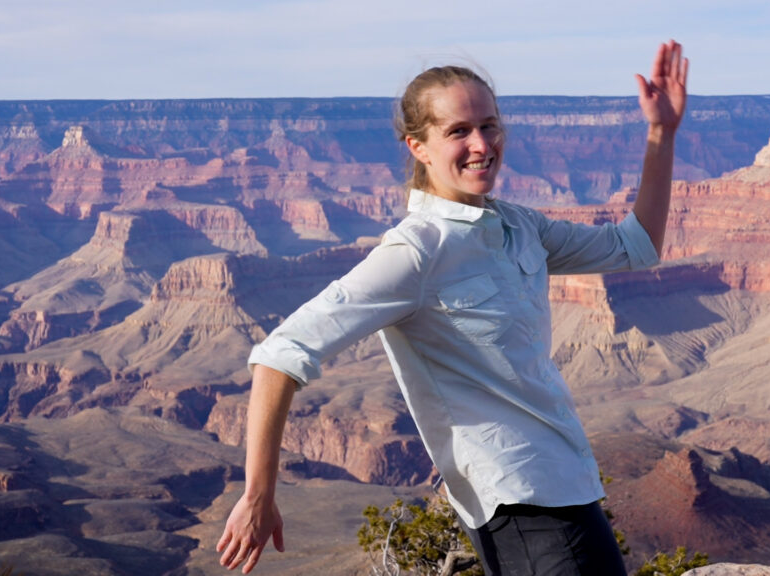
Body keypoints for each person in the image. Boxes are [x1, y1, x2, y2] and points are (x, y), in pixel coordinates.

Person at [217, 40, 688, 575]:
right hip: (521, 505)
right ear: (418, 147)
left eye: (489, 126)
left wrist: (660, 133)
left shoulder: (516, 225)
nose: (481, 144)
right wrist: (259, 493)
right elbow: (282, 352)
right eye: (458, 131)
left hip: (563, 484)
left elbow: (636, 246)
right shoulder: (416, 252)